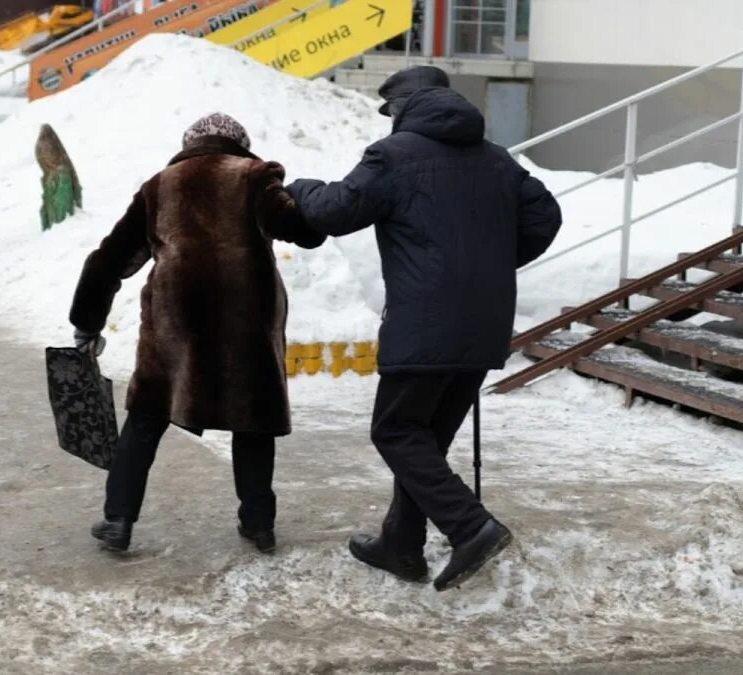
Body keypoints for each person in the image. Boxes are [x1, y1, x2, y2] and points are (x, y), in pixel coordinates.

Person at [286, 67, 562, 591]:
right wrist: (488, 264)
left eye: (391, 112)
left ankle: (470, 527)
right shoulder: (497, 159)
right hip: (483, 321)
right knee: (425, 440)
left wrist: (299, 187)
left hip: (426, 321)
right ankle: (401, 545)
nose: (391, 122)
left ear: (406, 106)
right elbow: (544, 216)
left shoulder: (394, 156)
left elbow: (338, 210)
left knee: (394, 431)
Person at [69, 113, 325, 554]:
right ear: (239, 146)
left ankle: (118, 520)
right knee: (254, 420)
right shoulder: (253, 176)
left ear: (190, 144)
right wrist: (305, 196)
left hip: (176, 321)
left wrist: (86, 321)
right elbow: (302, 231)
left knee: (147, 415)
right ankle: (258, 524)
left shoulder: (160, 185)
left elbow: (110, 259)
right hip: (247, 317)